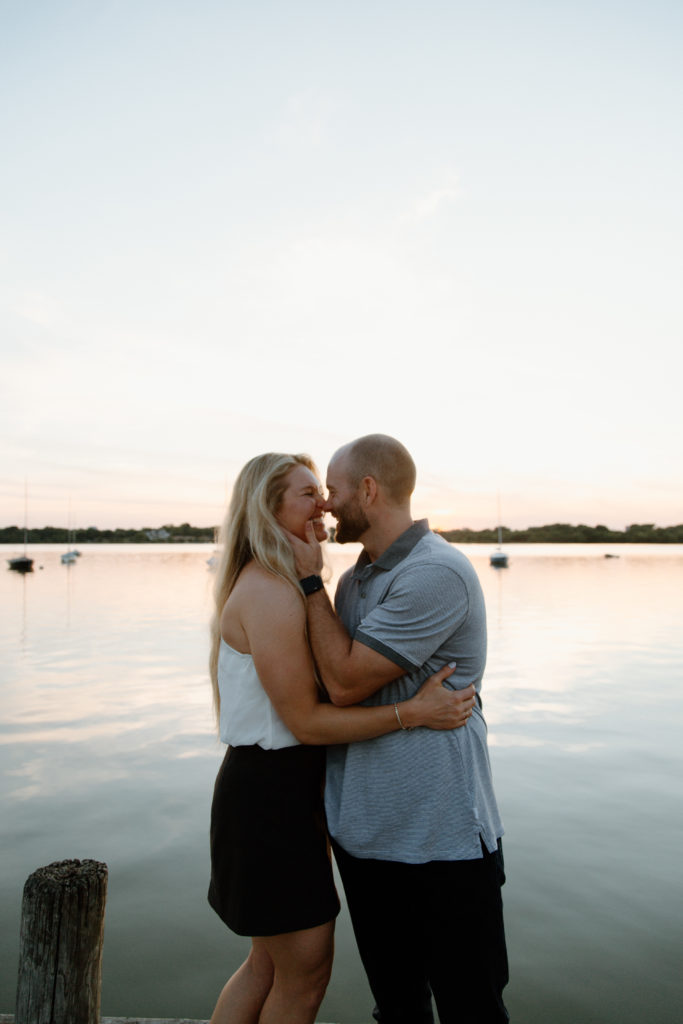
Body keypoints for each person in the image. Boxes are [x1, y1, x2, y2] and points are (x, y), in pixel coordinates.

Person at [206, 452, 477, 1024]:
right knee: (301, 979)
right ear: (269, 507)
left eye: (325, 490)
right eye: (308, 493)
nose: (323, 503)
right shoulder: (273, 592)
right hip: (270, 800)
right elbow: (307, 720)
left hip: (287, 794)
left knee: (268, 967)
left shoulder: (295, 586)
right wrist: (413, 712)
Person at [285, 434, 510, 1024]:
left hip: (443, 842)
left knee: (472, 1009)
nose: (327, 505)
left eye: (333, 490)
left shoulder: (437, 572)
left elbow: (346, 683)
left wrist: (310, 583)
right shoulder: (356, 578)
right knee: (398, 1008)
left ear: (368, 488)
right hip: (367, 839)